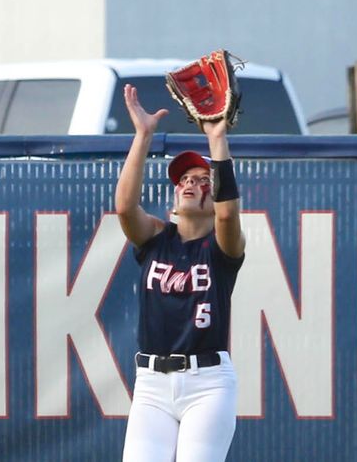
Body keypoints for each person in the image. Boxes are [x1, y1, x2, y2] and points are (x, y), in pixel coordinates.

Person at [116, 83, 245, 462]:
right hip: (152, 384)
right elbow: (125, 208)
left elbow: (226, 213)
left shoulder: (222, 247)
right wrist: (143, 136)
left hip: (207, 385)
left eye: (202, 180)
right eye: (185, 179)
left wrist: (217, 138)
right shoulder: (157, 237)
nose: (190, 183)